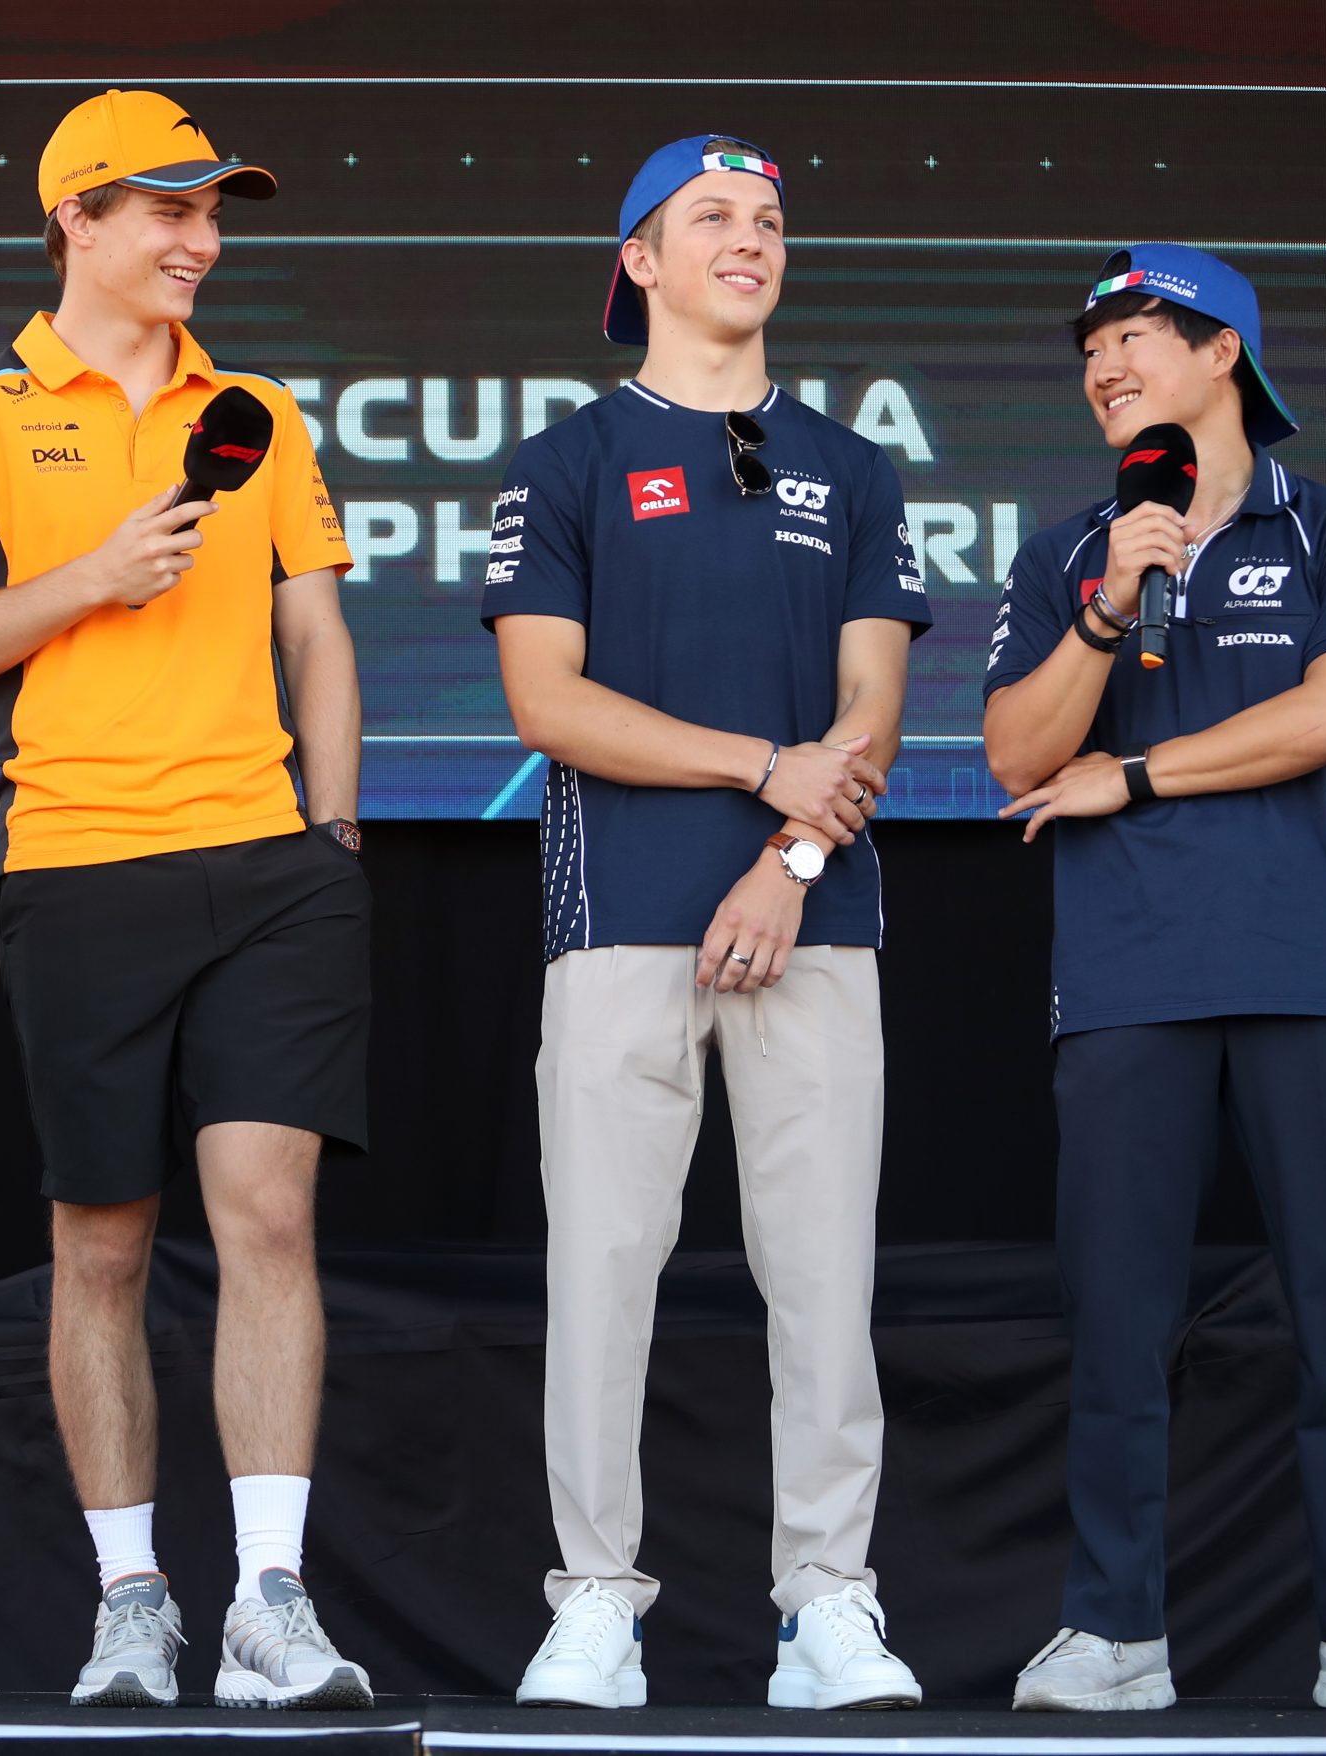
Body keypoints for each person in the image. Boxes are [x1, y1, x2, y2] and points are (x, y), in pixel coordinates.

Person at [0, 89, 372, 1711]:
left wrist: (338, 828)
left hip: (269, 868)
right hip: (79, 865)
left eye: (213, 211)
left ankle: (272, 1605)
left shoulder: (262, 410)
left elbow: (316, 629)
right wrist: (90, 577)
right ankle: (132, 1600)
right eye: (168, 209)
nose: (201, 239)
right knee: (101, 1245)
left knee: (271, 1217)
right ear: (76, 221)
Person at [482, 135, 932, 1712]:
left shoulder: (856, 465)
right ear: (642, 264)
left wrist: (790, 856)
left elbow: (875, 700)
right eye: (713, 220)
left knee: (824, 1277)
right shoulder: (565, 461)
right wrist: (761, 771)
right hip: (618, 916)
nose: (750, 240)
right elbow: (547, 699)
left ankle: (827, 1606)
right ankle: (596, 1601)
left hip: (818, 916)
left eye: (770, 221)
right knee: (604, 1270)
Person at [984, 244, 1326, 1714]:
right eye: (1091, 350)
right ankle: (1114, 1634)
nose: (1105, 367)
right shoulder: (1070, 548)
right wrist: (1112, 609)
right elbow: (1011, 754)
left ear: (1223, 354)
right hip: (1123, 981)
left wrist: (1136, 772)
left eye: (1137, 337)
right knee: (1117, 1322)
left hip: (1311, 971)